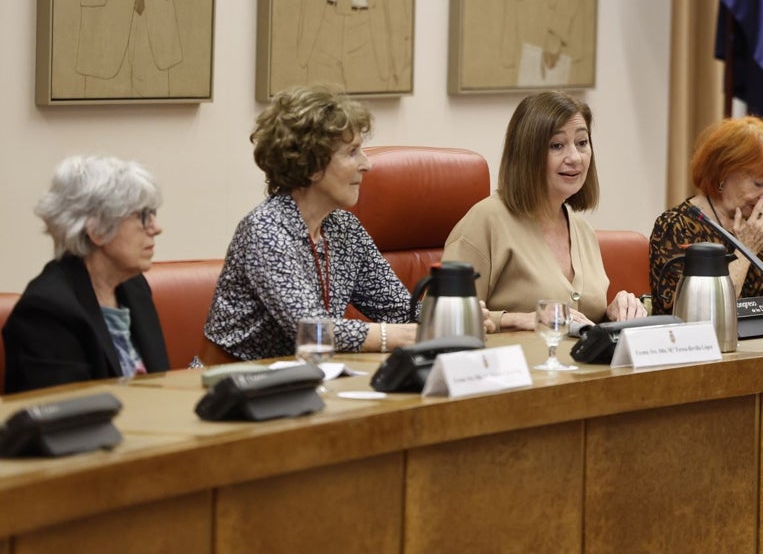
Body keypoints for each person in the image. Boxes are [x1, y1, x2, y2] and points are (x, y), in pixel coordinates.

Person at [204, 84, 421, 360]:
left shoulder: (344, 228)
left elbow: (401, 310)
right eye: (352, 152)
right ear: (312, 164)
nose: (367, 164)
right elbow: (311, 330)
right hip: (233, 384)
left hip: (306, 378)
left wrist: (468, 317)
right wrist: (391, 336)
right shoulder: (265, 229)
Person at [443, 91, 645, 330]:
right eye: (557, 146)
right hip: (513, 365)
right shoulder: (485, 221)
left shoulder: (582, 229)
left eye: (582, 143)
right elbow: (443, 317)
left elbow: (579, 319)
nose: (575, 158)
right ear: (527, 154)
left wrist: (612, 312)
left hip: (581, 367)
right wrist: (520, 319)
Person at [3, 156, 170, 394]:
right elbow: (71, 419)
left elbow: (162, 389)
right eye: (142, 216)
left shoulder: (134, 287)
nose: (156, 228)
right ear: (97, 230)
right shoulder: (46, 311)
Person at [649, 116, 763, 315]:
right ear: (724, 172)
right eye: (759, 184)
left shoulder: (762, 230)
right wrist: (745, 250)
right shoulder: (675, 227)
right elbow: (696, 315)